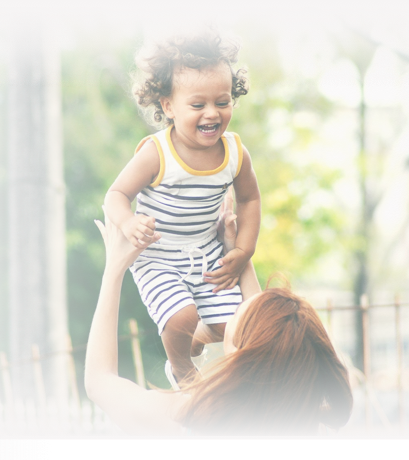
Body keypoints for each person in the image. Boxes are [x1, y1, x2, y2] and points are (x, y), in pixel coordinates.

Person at [84, 202, 353, 438]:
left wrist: (114, 269)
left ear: (240, 355)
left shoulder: (182, 420)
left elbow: (99, 381)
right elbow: (268, 344)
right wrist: (235, 252)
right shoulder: (307, 424)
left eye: (237, 312)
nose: (237, 305)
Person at [103, 29, 261, 389]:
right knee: (181, 315)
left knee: (230, 326)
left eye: (222, 102)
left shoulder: (235, 152)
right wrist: (128, 223)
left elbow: (251, 199)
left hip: (205, 253)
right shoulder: (157, 153)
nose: (212, 113)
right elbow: (115, 194)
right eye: (197, 105)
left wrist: (243, 249)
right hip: (157, 256)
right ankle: (183, 372)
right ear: (168, 105)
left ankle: (190, 338)